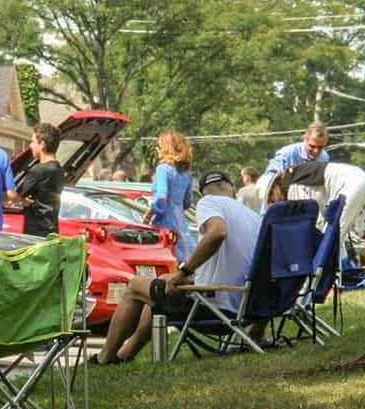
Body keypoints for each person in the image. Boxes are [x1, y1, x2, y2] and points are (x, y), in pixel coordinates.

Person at [94, 169, 261, 365]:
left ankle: (105, 357)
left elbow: (217, 233)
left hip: (216, 309)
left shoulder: (208, 202)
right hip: (247, 305)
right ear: (232, 190)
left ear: (202, 193)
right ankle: (125, 354)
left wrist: (184, 273)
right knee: (162, 284)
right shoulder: (252, 216)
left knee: (134, 286)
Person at [147, 131, 195, 265]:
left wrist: (148, 216)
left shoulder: (163, 169)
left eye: (159, 146)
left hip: (165, 223)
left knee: (166, 260)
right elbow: (187, 202)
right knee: (185, 259)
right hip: (181, 223)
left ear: (165, 148)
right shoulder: (187, 173)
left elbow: (161, 199)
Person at [16, 122, 65, 236]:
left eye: (33, 142)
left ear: (42, 144)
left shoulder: (38, 170)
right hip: (52, 229)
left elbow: (16, 195)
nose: (30, 146)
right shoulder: (59, 170)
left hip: (36, 231)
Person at [263, 120, 330, 177]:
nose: (316, 151)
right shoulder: (287, 154)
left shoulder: (324, 158)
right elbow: (269, 178)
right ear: (305, 139)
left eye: (320, 147)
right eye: (312, 146)